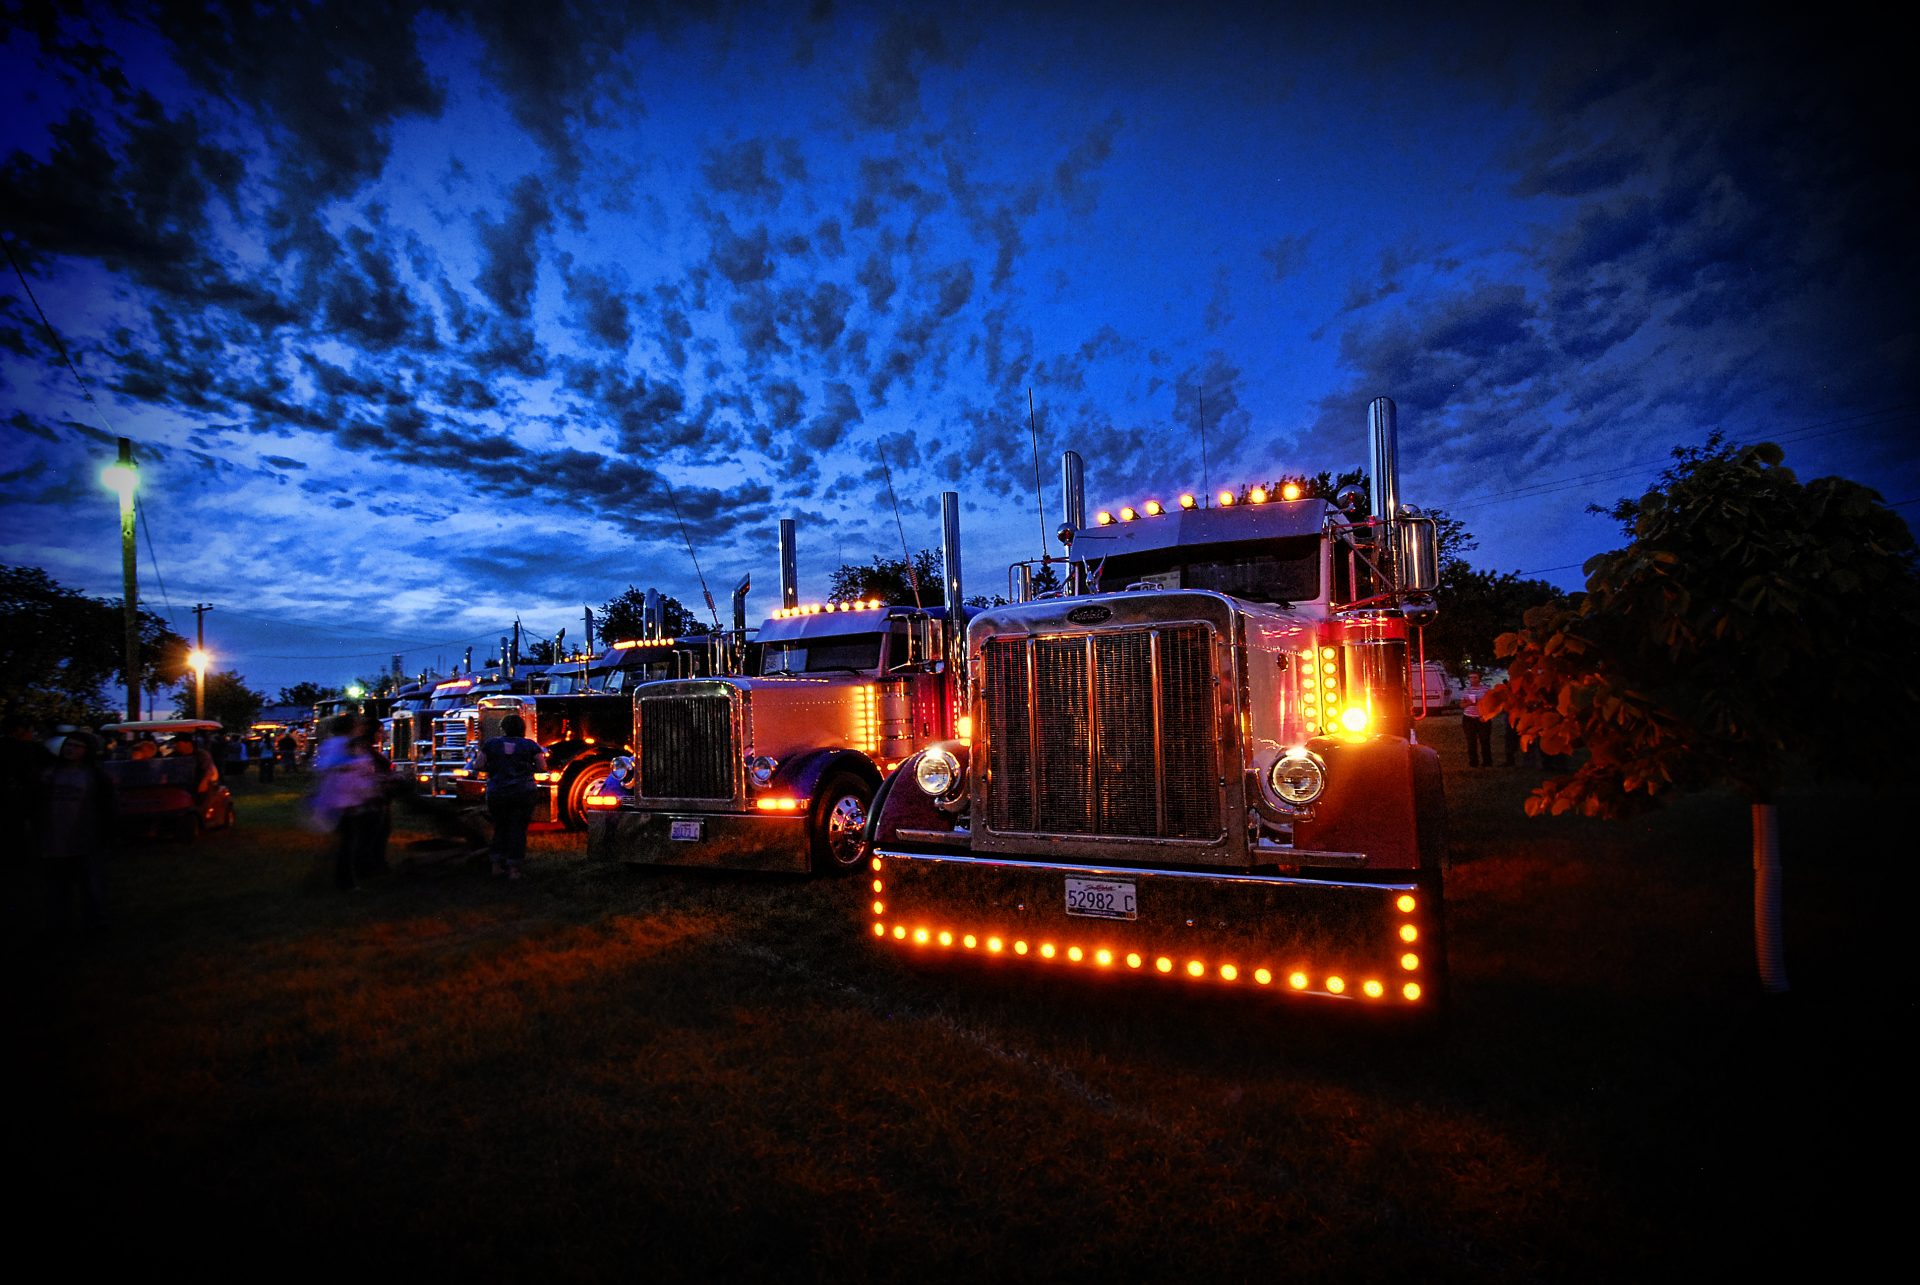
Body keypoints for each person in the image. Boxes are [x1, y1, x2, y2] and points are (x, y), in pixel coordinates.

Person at [39, 730, 116, 936]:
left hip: (86, 838)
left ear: (87, 751)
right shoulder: (50, 774)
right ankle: (57, 926)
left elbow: (107, 807)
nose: (70, 749)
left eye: (76, 746)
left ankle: (96, 924)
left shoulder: (95, 777)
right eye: (68, 745)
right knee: (57, 888)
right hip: (55, 838)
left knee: (92, 885)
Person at [473, 713, 547, 881]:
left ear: (503, 728)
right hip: (523, 792)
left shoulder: (491, 744)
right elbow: (542, 767)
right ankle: (514, 869)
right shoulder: (530, 745)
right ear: (522, 729)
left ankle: (496, 866)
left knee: (500, 827)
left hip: (497, 792)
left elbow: (479, 765)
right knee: (518, 829)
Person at [312, 715, 382, 891]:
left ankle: (343, 877)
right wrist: (355, 764)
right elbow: (327, 766)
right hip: (342, 800)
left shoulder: (350, 743)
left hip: (350, 798)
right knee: (348, 841)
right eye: (358, 724)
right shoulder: (339, 744)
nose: (362, 727)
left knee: (349, 839)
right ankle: (344, 880)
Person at [1459, 671, 1492, 768]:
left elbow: (1490, 704)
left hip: (1482, 718)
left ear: (1479, 679)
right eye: (1470, 678)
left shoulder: (1486, 690)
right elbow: (1461, 705)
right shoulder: (1467, 690)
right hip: (1469, 718)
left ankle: (1487, 762)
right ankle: (1473, 762)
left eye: (1475, 677)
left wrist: (1485, 715)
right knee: (1471, 741)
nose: (1472, 680)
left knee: (1484, 740)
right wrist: (1468, 703)